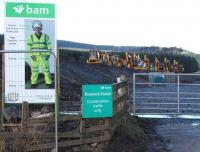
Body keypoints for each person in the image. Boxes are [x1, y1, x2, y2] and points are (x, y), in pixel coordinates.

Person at [26, 20, 53, 88]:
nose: (37, 29)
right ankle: (33, 82)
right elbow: (28, 47)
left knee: (46, 70)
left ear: (41, 28)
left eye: (38, 28)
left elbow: (49, 46)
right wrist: (31, 55)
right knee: (34, 70)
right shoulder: (31, 37)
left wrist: (48, 54)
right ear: (33, 29)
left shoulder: (45, 36)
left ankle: (49, 82)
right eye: (36, 28)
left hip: (44, 56)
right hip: (35, 57)